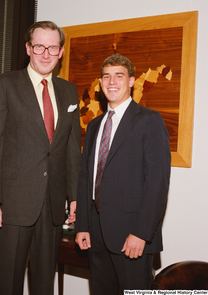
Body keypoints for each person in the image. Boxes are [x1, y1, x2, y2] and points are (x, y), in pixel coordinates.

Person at [0, 21, 81, 295]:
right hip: (12, 205)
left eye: (53, 47)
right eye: (39, 46)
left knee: (43, 284)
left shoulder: (69, 91)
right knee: (7, 284)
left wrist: (74, 197)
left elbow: (72, 150)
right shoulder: (6, 84)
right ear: (28, 48)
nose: (46, 54)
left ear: (60, 51)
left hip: (52, 206)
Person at [75, 53, 171, 293]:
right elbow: (86, 177)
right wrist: (83, 226)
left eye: (119, 76)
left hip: (132, 235)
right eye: (106, 77)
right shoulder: (95, 125)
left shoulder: (149, 120)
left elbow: (157, 184)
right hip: (96, 235)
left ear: (131, 81)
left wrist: (141, 233)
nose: (112, 82)